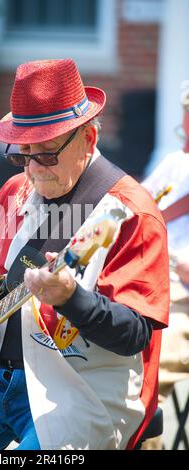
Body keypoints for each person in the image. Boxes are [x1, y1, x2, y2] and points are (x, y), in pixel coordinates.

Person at [0, 58, 169, 450]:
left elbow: (134, 334)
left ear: (88, 139)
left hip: (81, 391)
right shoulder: (17, 190)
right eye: (23, 155)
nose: (33, 170)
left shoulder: (131, 212)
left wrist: (71, 299)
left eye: (48, 154)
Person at [143, 90, 189, 402]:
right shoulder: (175, 162)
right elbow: (134, 213)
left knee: (147, 376)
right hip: (147, 285)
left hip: (181, 303)